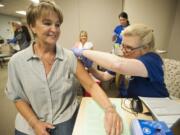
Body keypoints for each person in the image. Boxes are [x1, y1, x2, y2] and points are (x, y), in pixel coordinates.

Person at [5, 1, 122, 135]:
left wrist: (110, 109)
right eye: (47, 23)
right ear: (32, 26)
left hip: (64, 121)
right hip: (29, 125)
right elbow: (17, 98)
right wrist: (34, 123)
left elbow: (91, 85)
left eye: (57, 25)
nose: (54, 29)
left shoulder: (69, 57)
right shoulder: (16, 62)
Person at [72, 24, 170, 98]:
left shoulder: (152, 60)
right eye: (123, 45)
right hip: (132, 104)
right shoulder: (127, 58)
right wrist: (90, 67)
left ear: (145, 48)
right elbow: (104, 76)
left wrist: (83, 52)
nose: (123, 50)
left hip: (157, 111)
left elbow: (117, 64)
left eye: (129, 48)